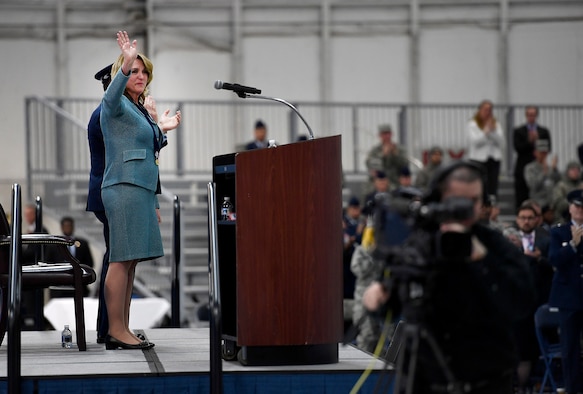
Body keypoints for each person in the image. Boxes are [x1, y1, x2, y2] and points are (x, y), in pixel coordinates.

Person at [362, 161, 535, 394]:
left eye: (475, 201)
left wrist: (482, 263)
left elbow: (522, 301)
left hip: (486, 378)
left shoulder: (495, 244)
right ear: (440, 198)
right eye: (458, 201)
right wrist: (377, 299)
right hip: (424, 377)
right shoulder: (420, 242)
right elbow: (392, 305)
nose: (467, 209)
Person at [100, 31, 181, 350]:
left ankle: (124, 327)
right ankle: (115, 330)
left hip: (139, 188)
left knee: (130, 260)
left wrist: (160, 128)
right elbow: (109, 98)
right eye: (134, 70)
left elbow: (146, 146)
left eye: (143, 71)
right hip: (123, 186)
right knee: (121, 259)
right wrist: (125, 63)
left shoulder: (137, 110)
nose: (140, 75)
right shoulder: (116, 103)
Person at [512, 203, 553, 392]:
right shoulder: (508, 241)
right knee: (521, 349)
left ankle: (537, 383)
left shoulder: (546, 239)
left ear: (537, 219)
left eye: (530, 217)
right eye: (523, 217)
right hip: (517, 305)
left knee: (536, 347)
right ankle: (520, 385)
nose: (526, 221)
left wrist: (539, 259)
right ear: (517, 219)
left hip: (540, 300)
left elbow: (554, 266)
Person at [548, 189, 583, 394]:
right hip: (568, 298)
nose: (580, 210)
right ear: (570, 208)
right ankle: (573, 388)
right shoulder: (558, 232)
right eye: (577, 206)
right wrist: (572, 245)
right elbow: (554, 260)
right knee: (569, 348)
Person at [513, 106, 552, 209]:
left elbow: (548, 148)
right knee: (521, 197)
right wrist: (529, 141)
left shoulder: (543, 131)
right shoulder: (519, 131)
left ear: (536, 116)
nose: (531, 117)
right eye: (529, 115)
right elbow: (518, 148)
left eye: (533, 115)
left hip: (539, 166)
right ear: (526, 116)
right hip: (523, 166)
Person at [466, 100, 505, 198]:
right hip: (478, 159)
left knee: (492, 186)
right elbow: (475, 142)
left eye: (490, 110)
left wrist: (492, 131)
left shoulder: (496, 124)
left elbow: (501, 142)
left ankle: (492, 204)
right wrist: (486, 131)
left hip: (493, 159)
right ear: (479, 110)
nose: (488, 112)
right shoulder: (472, 124)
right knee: (479, 185)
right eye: (485, 110)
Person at [49, 216, 95, 298]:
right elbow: (49, 263)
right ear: (62, 227)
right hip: (59, 288)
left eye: (69, 226)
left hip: (78, 285)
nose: (68, 228)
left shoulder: (82, 244)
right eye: (66, 226)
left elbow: (89, 263)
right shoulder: (54, 245)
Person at [365, 124, 409, 188]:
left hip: (396, 182)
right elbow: (370, 164)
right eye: (384, 134)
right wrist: (382, 155)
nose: (387, 136)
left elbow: (405, 164)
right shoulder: (375, 150)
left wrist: (396, 156)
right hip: (379, 183)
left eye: (388, 133)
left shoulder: (399, 149)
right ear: (380, 135)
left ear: (391, 134)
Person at [524, 139, 560, 208]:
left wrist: (555, 169)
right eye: (541, 153)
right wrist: (543, 173)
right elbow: (533, 186)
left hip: (551, 205)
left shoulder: (550, 168)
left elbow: (558, 182)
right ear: (535, 153)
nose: (544, 155)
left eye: (545, 153)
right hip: (538, 204)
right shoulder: (530, 168)